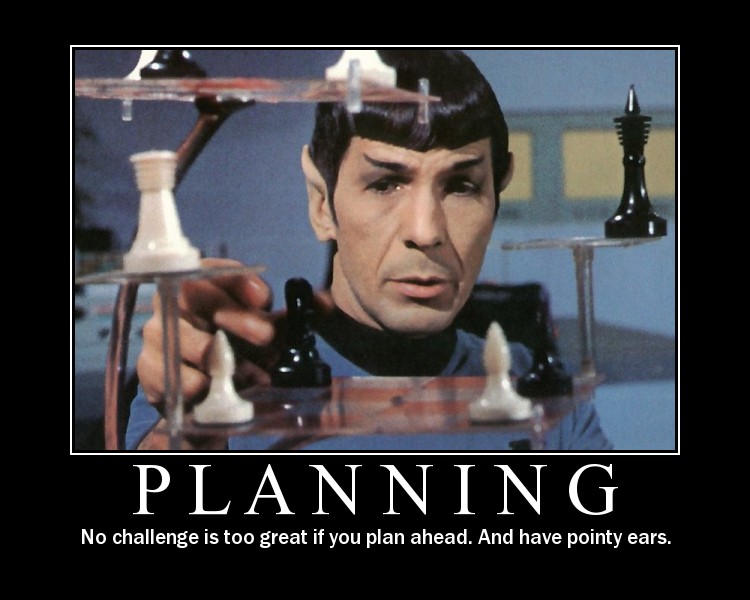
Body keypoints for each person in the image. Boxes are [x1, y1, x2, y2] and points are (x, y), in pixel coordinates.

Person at [127, 50, 612, 451]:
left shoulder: (547, 403)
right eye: (384, 184)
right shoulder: (228, 376)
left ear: (497, 193)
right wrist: (185, 436)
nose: (426, 231)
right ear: (322, 203)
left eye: (461, 185)